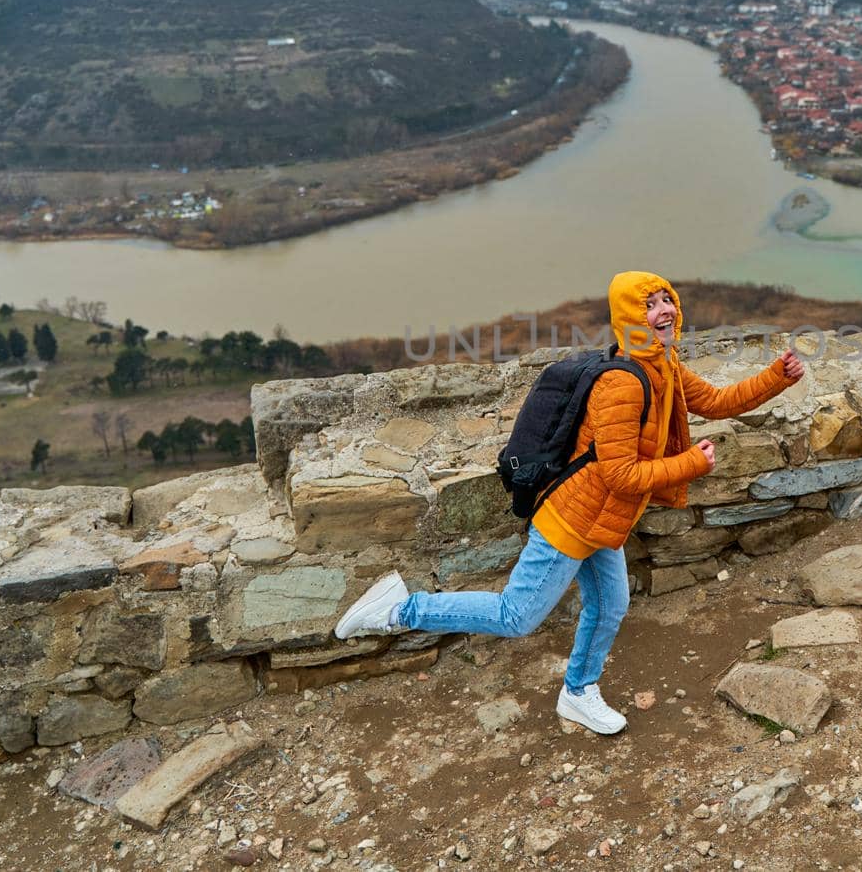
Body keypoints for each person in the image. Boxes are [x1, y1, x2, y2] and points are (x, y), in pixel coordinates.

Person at [332, 270, 805, 734]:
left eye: (667, 299)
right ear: (628, 316)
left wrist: (775, 377)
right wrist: (690, 465)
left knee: (609, 606)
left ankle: (578, 692)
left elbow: (718, 401)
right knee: (515, 616)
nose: (664, 310)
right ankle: (401, 609)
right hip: (572, 522)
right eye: (649, 303)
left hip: (604, 522)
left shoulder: (664, 366)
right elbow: (620, 475)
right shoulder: (622, 384)